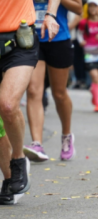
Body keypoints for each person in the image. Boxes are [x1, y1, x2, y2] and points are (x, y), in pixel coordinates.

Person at [0, 0, 60, 204]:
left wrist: (51, 15)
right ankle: (9, 179)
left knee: (7, 105)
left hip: (19, 40)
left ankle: (18, 160)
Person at [23, 0, 81, 162]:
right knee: (34, 90)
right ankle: (37, 143)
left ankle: (66, 136)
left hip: (59, 38)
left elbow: (78, 9)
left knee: (59, 94)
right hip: (31, 38)